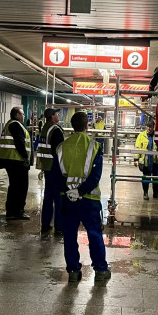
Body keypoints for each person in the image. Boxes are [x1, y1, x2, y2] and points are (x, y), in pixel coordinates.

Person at [49, 111, 110, 283]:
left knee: (69, 235)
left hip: (67, 200)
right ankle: (100, 271)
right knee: (94, 234)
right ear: (86, 125)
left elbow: (55, 176)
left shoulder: (61, 147)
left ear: (72, 126)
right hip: (89, 200)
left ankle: (73, 272)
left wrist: (68, 190)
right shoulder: (95, 146)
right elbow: (95, 176)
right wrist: (81, 191)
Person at [0, 107, 32, 220]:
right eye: (22, 113)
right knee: (21, 187)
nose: (24, 116)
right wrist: (25, 157)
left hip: (11, 160)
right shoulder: (16, 125)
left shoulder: (10, 124)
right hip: (16, 160)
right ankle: (18, 211)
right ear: (16, 115)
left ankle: (11, 211)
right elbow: (19, 142)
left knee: (14, 186)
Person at [36, 108, 65, 234]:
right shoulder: (55, 130)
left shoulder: (45, 128)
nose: (58, 116)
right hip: (55, 166)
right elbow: (59, 151)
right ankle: (59, 227)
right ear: (52, 116)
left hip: (46, 165)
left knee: (48, 197)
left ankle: (46, 224)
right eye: (57, 114)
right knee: (58, 197)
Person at [135, 120, 158, 201]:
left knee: (157, 177)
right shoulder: (141, 136)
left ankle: (156, 193)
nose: (149, 128)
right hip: (146, 160)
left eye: (151, 127)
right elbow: (138, 147)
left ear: (153, 127)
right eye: (148, 126)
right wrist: (136, 158)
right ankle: (145, 193)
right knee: (146, 177)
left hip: (156, 160)